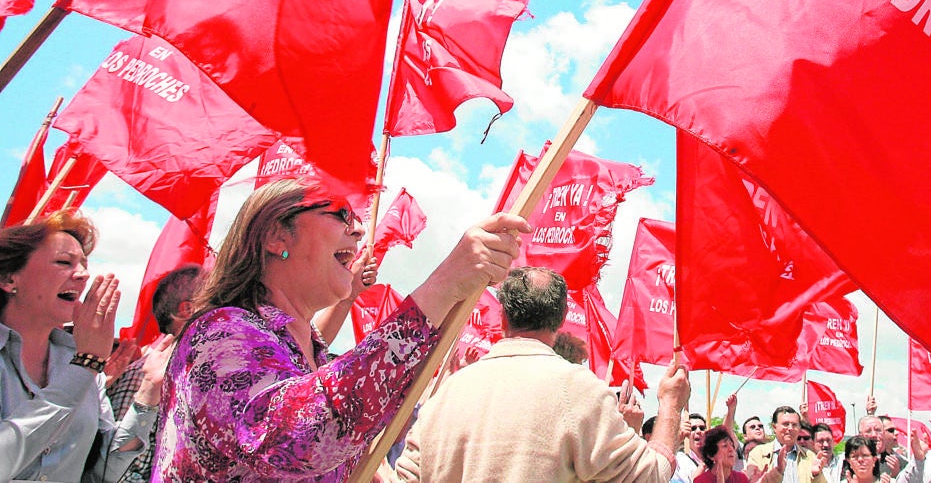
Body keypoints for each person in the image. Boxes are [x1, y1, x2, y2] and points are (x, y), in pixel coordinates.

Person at [152, 179, 530, 481]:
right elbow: (297, 438)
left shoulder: (309, 352)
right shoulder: (219, 335)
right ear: (276, 236)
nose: (359, 229)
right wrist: (441, 285)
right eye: (340, 215)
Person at [396, 266, 690, 481]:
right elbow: (650, 475)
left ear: (502, 316)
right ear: (562, 319)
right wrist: (670, 405)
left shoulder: (445, 394)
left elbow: (406, 476)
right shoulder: (578, 390)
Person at [0, 209, 169, 482]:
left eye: (84, 265)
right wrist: (86, 364)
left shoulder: (79, 363)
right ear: (9, 279)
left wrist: (149, 392)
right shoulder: (84, 364)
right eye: (63, 262)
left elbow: (102, 471)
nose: (82, 275)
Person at [107, 263, 204, 483]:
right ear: (188, 310)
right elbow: (123, 470)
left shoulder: (204, 377)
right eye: (219, 299)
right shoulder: (142, 376)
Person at [745, 405, 830, 482]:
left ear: (799, 428)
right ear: (774, 427)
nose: (790, 428)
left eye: (794, 425)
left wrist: (817, 475)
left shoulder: (810, 456)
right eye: (786, 424)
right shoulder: (758, 454)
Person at [675, 412, 710, 481]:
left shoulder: (716, 460)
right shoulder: (681, 460)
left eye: (702, 428)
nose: (698, 431)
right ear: (687, 434)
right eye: (693, 428)